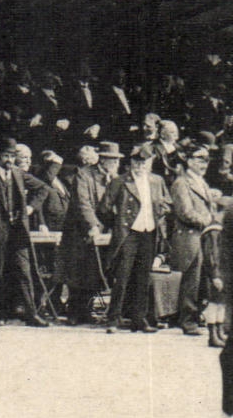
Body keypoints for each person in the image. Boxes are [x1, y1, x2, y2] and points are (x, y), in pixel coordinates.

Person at [0, 141, 45, 327]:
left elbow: (43, 189)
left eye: (12, 156)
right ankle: (0, 313)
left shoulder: (18, 174)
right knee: (0, 272)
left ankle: (31, 314)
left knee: (24, 271)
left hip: (18, 232)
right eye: (6, 156)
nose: (9, 160)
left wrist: (29, 208)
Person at [99, 143, 170, 333]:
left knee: (143, 278)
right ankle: (113, 319)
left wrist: (160, 212)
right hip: (128, 234)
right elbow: (103, 208)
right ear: (130, 163)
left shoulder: (156, 181)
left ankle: (140, 319)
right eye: (136, 163)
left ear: (150, 163)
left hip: (149, 232)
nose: (139, 167)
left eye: (143, 163)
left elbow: (167, 203)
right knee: (122, 277)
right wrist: (118, 223)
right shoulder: (120, 182)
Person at [168, 142, 222, 336]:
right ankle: (187, 320)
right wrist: (208, 221)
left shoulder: (201, 182)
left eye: (206, 160)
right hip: (190, 236)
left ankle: (196, 316)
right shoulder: (181, 183)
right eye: (199, 159)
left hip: (204, 236)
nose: (204, 163)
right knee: (191, 279)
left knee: (203, 280)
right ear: (188, 160)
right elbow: (185, 212)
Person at [59, 142, 114, 326]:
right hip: (79, 232)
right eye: (112, 160)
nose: (115, 164)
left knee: (93, 272)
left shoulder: (112, 177)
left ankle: (87, 310)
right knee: (77, 272)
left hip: (100, 232)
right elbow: (83, 203)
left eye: (117, 161)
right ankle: (74, 312)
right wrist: (93, 225)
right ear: (103, 159)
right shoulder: (84, 175)